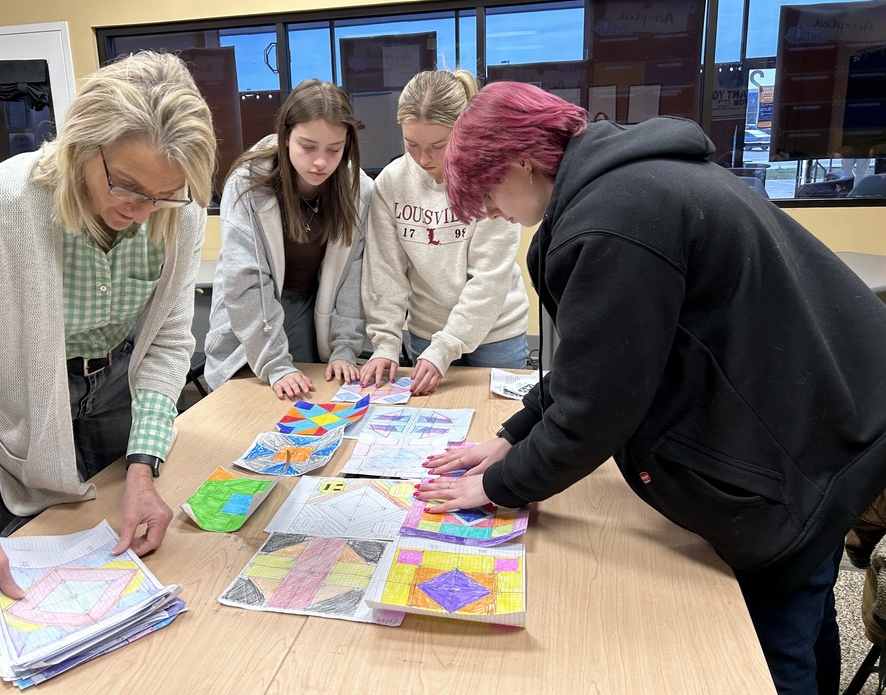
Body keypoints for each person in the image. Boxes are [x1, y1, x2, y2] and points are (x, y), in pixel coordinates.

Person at [418, 81, 886, 695]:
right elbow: (607, 358)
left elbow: (597, 409)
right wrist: (511, 438)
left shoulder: (615, 218)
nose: (489, 210)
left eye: (486, 192)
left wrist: (494, 487)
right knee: (806, 606)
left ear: (522, 162)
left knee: (771, 642)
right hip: (831, 419)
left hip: (799, 452)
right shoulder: (628, 184)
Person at [0, 51, 217, 626]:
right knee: (35, 592)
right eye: (127, 187)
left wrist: (143, 468)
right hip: (26, 411)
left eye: (164, 196)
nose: (141, 211)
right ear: (82, 143)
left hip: (117, 396)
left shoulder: (175, 204)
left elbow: (167, 344)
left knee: (124, 571)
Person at [360, 70, 529, 396]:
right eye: (411, 144)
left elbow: (488, 279)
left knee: (495, 431)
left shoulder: (491, 180)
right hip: (427, 330)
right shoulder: (392, 183)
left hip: (496, 333)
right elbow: (384, 270)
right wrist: (385, 341)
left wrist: (446, 347)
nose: (424, 158)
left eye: (438, 146)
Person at [204, 79, 372, 400]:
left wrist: (345, 349)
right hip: (256, 310)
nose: (320, 161)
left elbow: (355, 277)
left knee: (315, 394)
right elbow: (245, 281)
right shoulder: (248, 184)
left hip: (315, 307)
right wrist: (274, 362)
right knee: (256, 401)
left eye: (334, 150)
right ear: (285, 137)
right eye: (307, 147)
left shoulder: (358, 191)